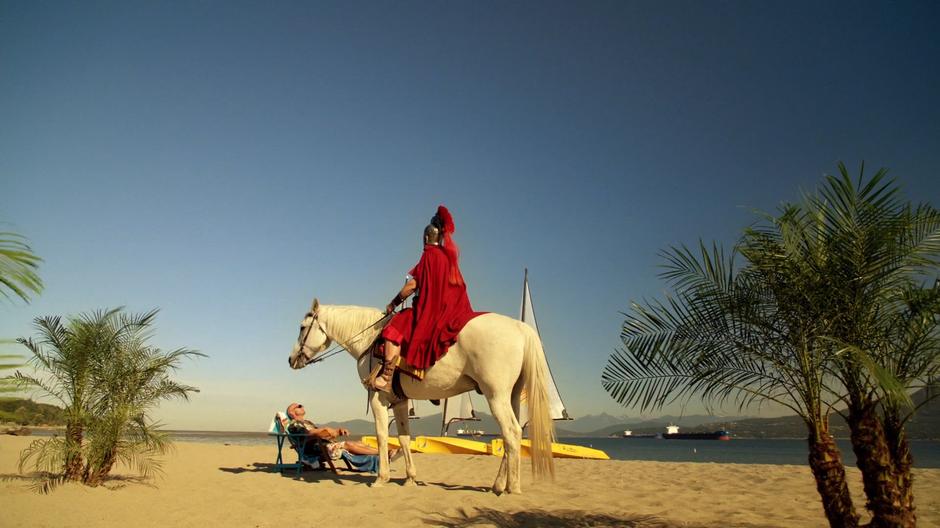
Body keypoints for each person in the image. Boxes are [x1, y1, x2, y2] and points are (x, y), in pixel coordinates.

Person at [372, 205, 478, 392]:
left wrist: (392, 303)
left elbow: (412, 286)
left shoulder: (429, 256)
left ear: (426, 237)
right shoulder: (448, 258)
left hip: (430, 313)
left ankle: (386, 378)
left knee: (394, 328)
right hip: (451, 312)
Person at [285, 402, 397, 459]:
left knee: (358, 442)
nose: (302, 406)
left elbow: (320, 435)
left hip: (323, 445)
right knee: (348, 444)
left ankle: (384, 453)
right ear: (292, 412)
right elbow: (308, 435)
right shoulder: (293, 425)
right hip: (315, 450)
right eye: (298, 406)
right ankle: (383, 454)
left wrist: (337, 432)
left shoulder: (308, 422)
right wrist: (324, 430)